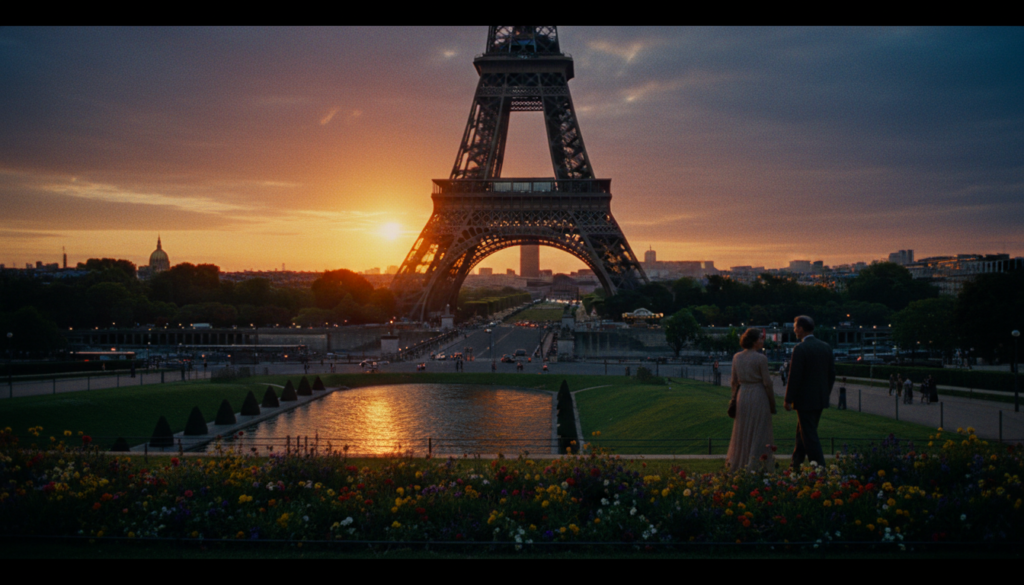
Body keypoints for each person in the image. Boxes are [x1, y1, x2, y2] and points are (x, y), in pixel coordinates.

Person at [784, 315, 836, 469]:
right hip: (819, 399)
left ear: (801, 328)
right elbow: (831, 375)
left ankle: (819, 468)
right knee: (803, 433)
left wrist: (788, 399)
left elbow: (795, 376)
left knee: (809, 435)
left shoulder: (800, 348)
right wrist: (824, 394)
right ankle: (795, 466)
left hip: (804, 400)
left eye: (795, 327)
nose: (794, 330)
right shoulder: (826, 347)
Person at [726, 328, 777, 472]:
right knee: (759, 431)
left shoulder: (737, 357)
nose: (762, 340)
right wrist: (772, 403)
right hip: (758, 395)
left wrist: (734, 398)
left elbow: (734, 381)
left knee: (742, 430)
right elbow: (767, 383)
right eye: (760, 338)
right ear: (754, 341)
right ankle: (756, 465)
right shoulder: (761, 359)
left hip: (742, 395)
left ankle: (741, 463)